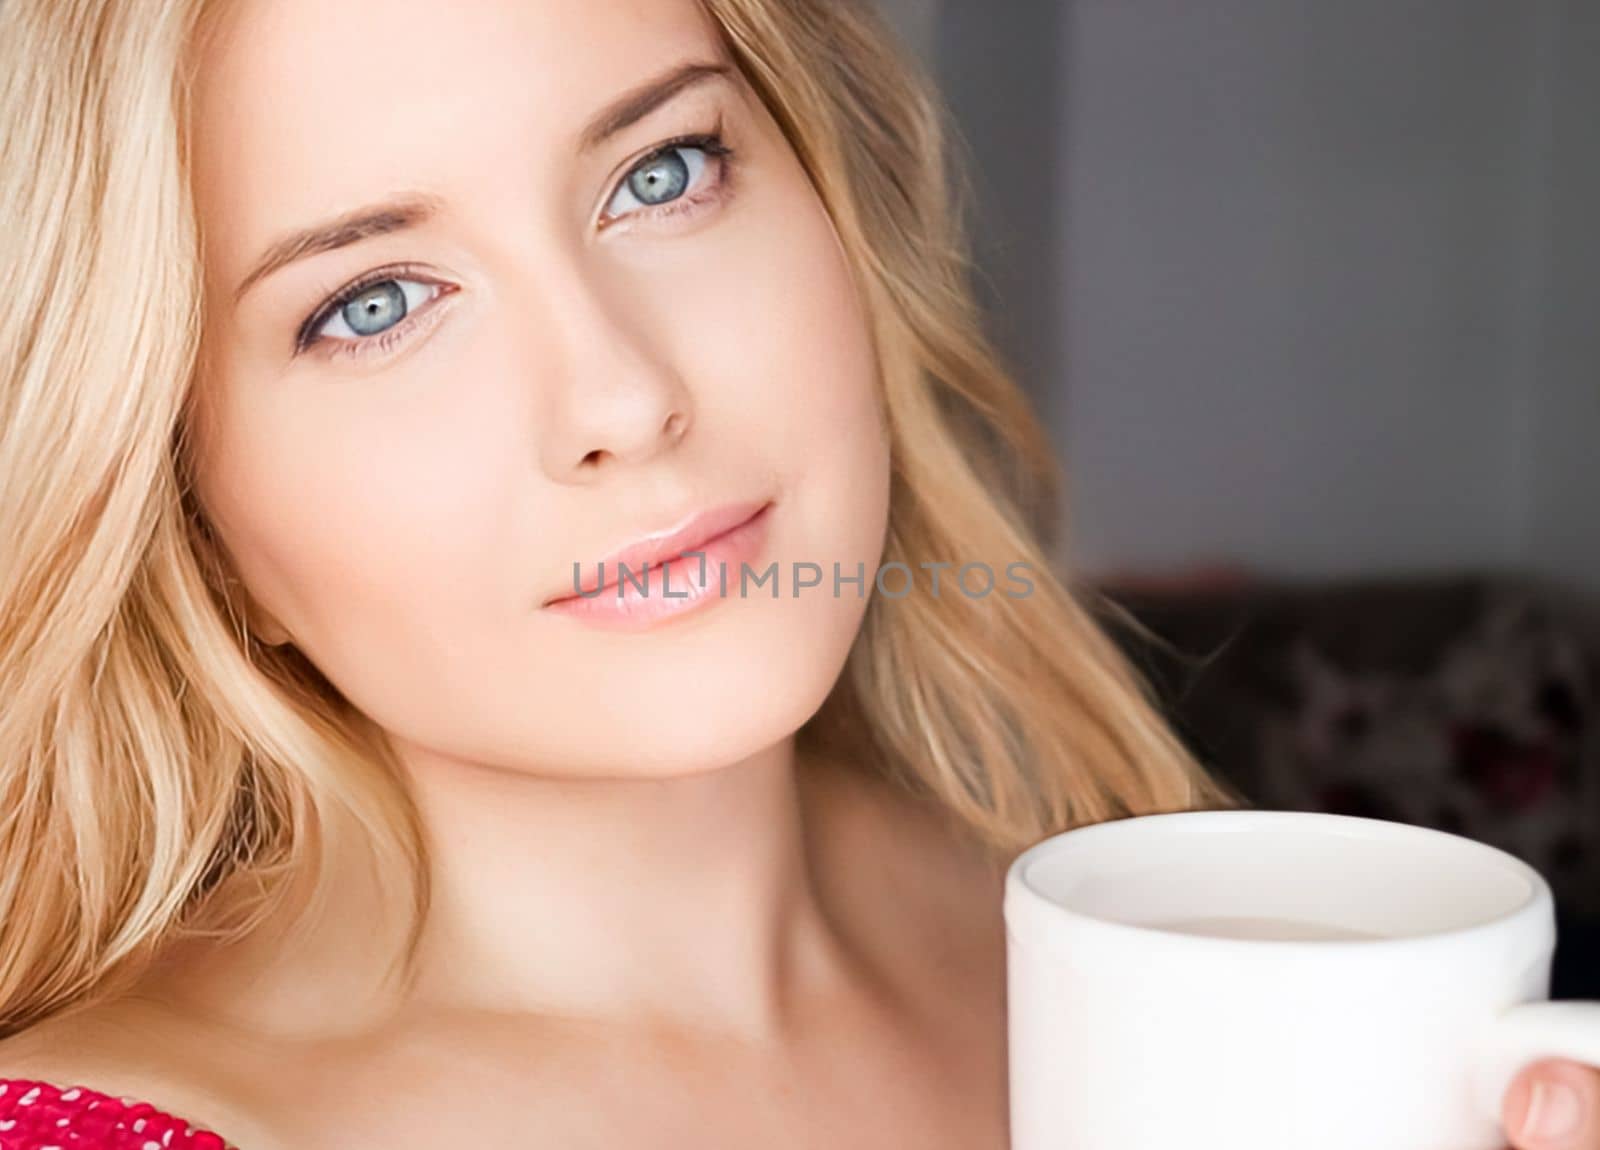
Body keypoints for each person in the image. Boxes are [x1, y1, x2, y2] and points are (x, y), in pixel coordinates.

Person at [0, 1, 1592, 1146]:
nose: (623, 397)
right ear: (183, 502)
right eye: (373, 303)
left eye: (662, 173)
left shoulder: (1136, 935)